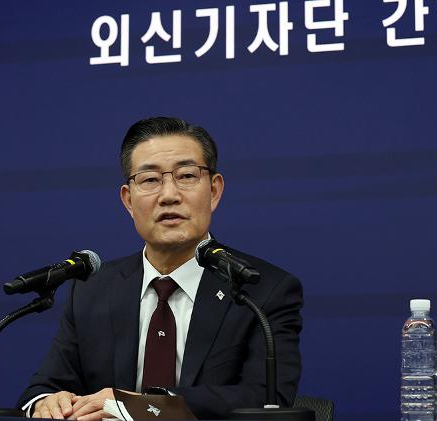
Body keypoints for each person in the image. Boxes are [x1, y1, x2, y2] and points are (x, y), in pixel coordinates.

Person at [18, 117, 303, 420]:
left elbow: (267, 398)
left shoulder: (262, 290)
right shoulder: (92, 290)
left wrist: (142, 405)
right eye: (150, 180)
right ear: (128, 200)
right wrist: (46, 402)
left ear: (214, 191)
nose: (169, 195)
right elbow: (44, 386)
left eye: (187, 176)